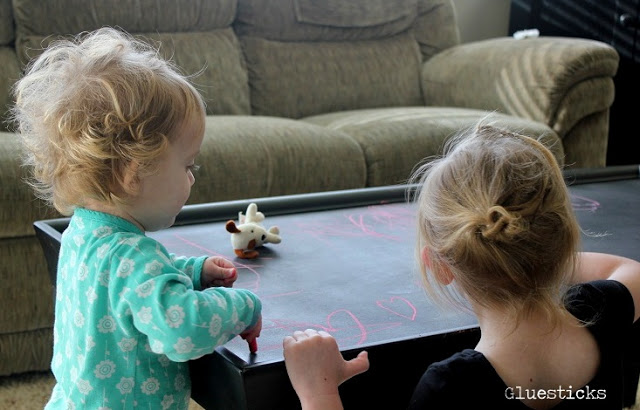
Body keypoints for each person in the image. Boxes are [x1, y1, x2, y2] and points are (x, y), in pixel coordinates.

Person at [282, 121, 640, 409]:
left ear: (440, 265)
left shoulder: (452, 388)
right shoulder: (600, 316)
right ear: (560, 241)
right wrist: (536, 259)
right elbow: (631, 271)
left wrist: (318, 394)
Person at [12, 27, 262, 409]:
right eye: (188, 165)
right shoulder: (132, 256)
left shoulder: (84, 230)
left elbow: (125, 290)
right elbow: (183, 329)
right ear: (135, 174)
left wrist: (191, 272)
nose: (193, 177)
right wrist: (244, 307)